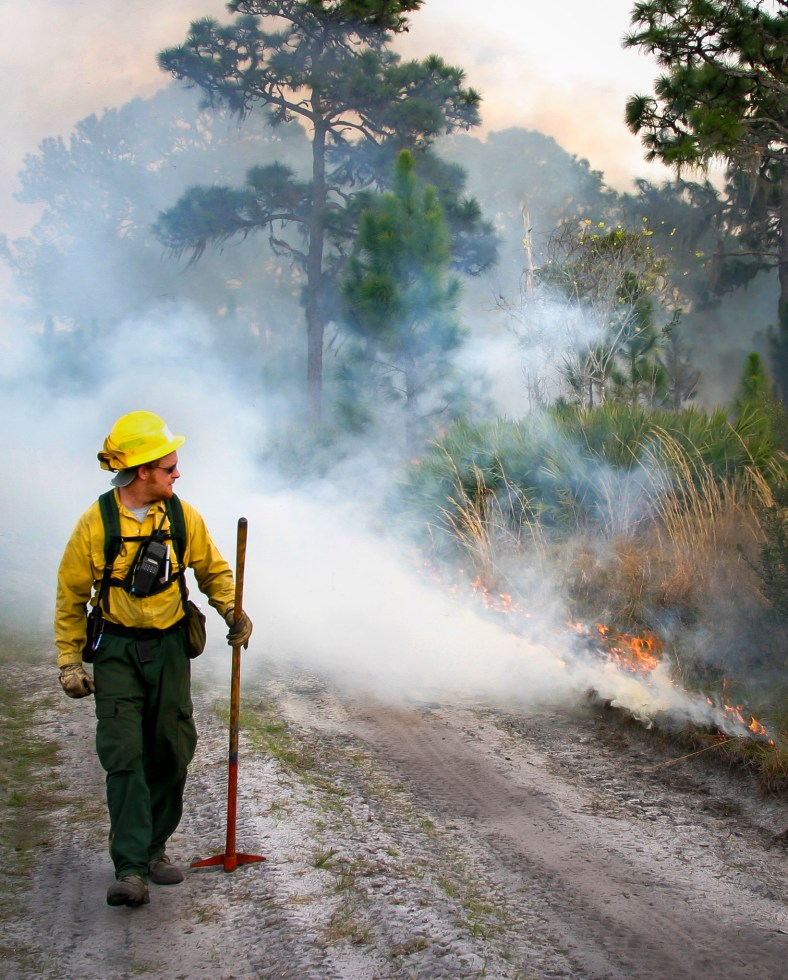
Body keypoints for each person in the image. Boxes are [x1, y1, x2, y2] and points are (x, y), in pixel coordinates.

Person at [55, 411, 253, 908]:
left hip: (168, 650)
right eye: (169, 467)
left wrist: (232, 608)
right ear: (142, 470)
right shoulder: (95, 523)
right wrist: (69, 662)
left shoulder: (183, 518)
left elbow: (213, 570)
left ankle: (154, 847)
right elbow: (71, 597)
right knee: (124, 756)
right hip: (117, 652)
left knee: (169, 750)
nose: (177, 474)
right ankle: (130, 868)